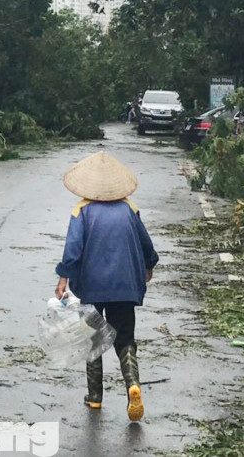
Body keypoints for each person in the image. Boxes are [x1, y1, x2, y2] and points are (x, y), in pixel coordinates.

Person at [53, 151, 159, 422]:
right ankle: (132, 385)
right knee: (125, 337)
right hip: (124, 285)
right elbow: (146, 245)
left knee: (93, 339)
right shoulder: (130, 209)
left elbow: (73, 251)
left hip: (90, 285)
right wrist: (149, 266)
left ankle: (95, 397)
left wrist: (63, 277)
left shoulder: (82, 210)